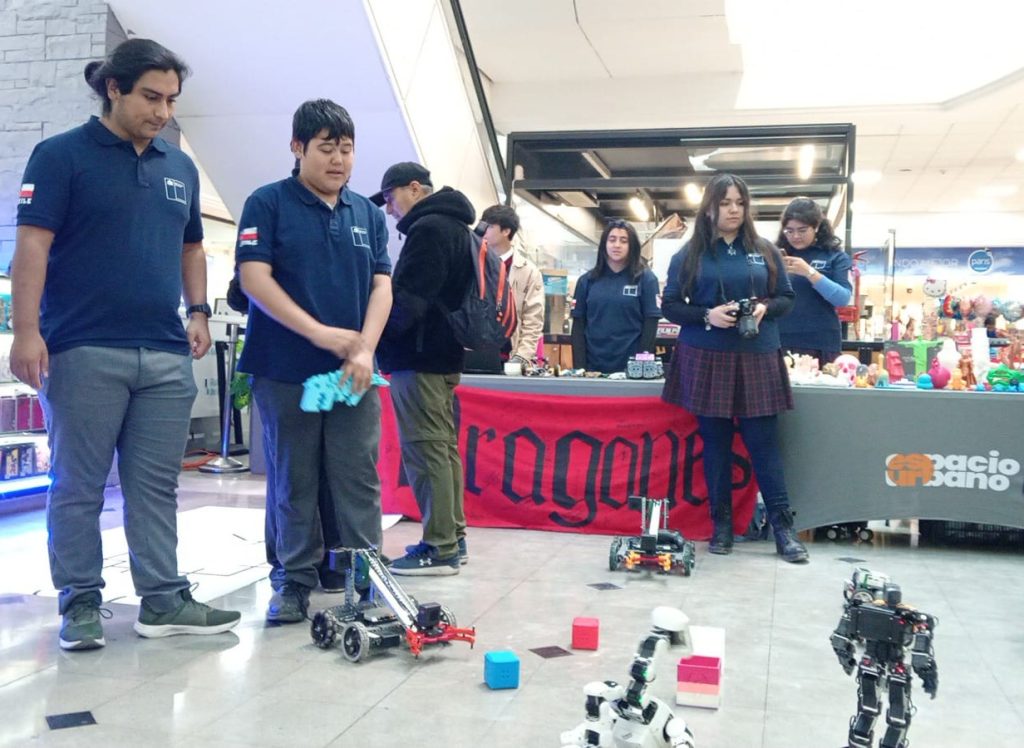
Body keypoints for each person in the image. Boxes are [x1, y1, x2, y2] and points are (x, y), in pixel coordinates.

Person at [11, 38, 241, 650]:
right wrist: (26, 331)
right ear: (113, 88)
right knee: (79, 485)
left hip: (165, 351)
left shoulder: (178, 166)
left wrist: (197, 309)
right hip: (83, 346)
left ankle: (162, 599)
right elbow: (31, 246)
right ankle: (80, 603)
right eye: (150, 97)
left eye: (171, 100)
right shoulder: (60, 156)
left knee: (156, 486)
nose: (162, 111)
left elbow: (192, 247)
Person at [237, 99, 392, 622]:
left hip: (353, 374)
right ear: (298, 147)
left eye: (346, 150)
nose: (339, 160)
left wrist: (364, 347)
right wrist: (324, 335)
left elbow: (381, 286)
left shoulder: (367, 214)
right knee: (293, 479)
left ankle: (367, 578)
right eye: (326, 148)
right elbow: (253, 279)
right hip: (284, 369)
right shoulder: (268, 203)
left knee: (357, 477)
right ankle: (295, 581)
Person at [660, 173, 808, 563]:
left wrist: (763, 308)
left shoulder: (765, 250)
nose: (733, 210)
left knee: (763, 444)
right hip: (706, 356)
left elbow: (786, 298)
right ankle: (721, 525)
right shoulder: (688, 255)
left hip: (758, 353)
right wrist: (707, 315)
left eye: (740, 203)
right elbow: (670, 306)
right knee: (716, 445)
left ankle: (783, 528)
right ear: (709, 207)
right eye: (725, 203)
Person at [372, 162, 473, 576]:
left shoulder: (429, 229)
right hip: (444, 353)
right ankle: (453, 536)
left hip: (420, 356)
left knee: (426, 449)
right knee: (442, 449)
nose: (390, 209)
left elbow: (408, 302)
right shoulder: (457, 227)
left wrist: (377, 338)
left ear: (415, 189)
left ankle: (439, 546)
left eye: (391, 198)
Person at [570, 220, 661, 373]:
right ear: (604, 244)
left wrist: (641, 367)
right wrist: (580, 369)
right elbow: (578, 327)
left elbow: (650, 327)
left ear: (631, 246)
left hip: (631, 369)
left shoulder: (646, 279)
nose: (617, 245)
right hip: (593, 368)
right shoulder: (586, 281)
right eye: (612, 240)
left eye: (623, 241)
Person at [775, 197, 853, 366]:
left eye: (802, 230)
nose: (795, 236)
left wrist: (810, 273)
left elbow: (842, 299)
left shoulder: (835, 256)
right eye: (789, 230)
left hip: (821, 342)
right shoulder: (777, 256)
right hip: (780, 339)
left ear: (816, 226)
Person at [480, 204, 545, 366]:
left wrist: (522, 357)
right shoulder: (474, 263)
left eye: (490, 226)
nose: (483, 230)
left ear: (506, 231)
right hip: (475, 350)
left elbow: (533, 319)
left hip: (511, 355)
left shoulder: (528, 271)